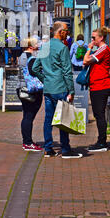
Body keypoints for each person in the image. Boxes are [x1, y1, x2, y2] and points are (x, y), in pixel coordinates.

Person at [32, 21, 83, 159]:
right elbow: (67, 72)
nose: (68, 33)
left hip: (48, 88)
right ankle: (65, 149)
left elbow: (35, 68)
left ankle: (48, 149)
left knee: (48, 119)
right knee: (63, 119)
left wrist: (46, 79)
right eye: (66, 30)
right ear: (60, 32)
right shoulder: (62, 48)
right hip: (60, 88)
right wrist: (71, 91)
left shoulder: (44, 47)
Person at [83, 26, 110, 152]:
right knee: (97, 114)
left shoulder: (103, 49)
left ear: (101, 37)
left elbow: (85, 61)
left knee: (99, 114)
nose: (92, 40)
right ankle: (101, 141)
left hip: (101, 86)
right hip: (96, 85)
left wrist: (89, 48)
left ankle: (102, 143)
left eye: (94, 37)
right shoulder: (100, 49)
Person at [18, 38, 43, 152]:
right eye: (36, 43)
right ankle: (27, 142)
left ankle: (27, 141)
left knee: (27, 115)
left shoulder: (23, 56)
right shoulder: (30, 57)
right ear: (31, 46)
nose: (38, 45)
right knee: (29, 116)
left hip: (23, 88)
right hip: (30, 90)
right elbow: (34, 72)